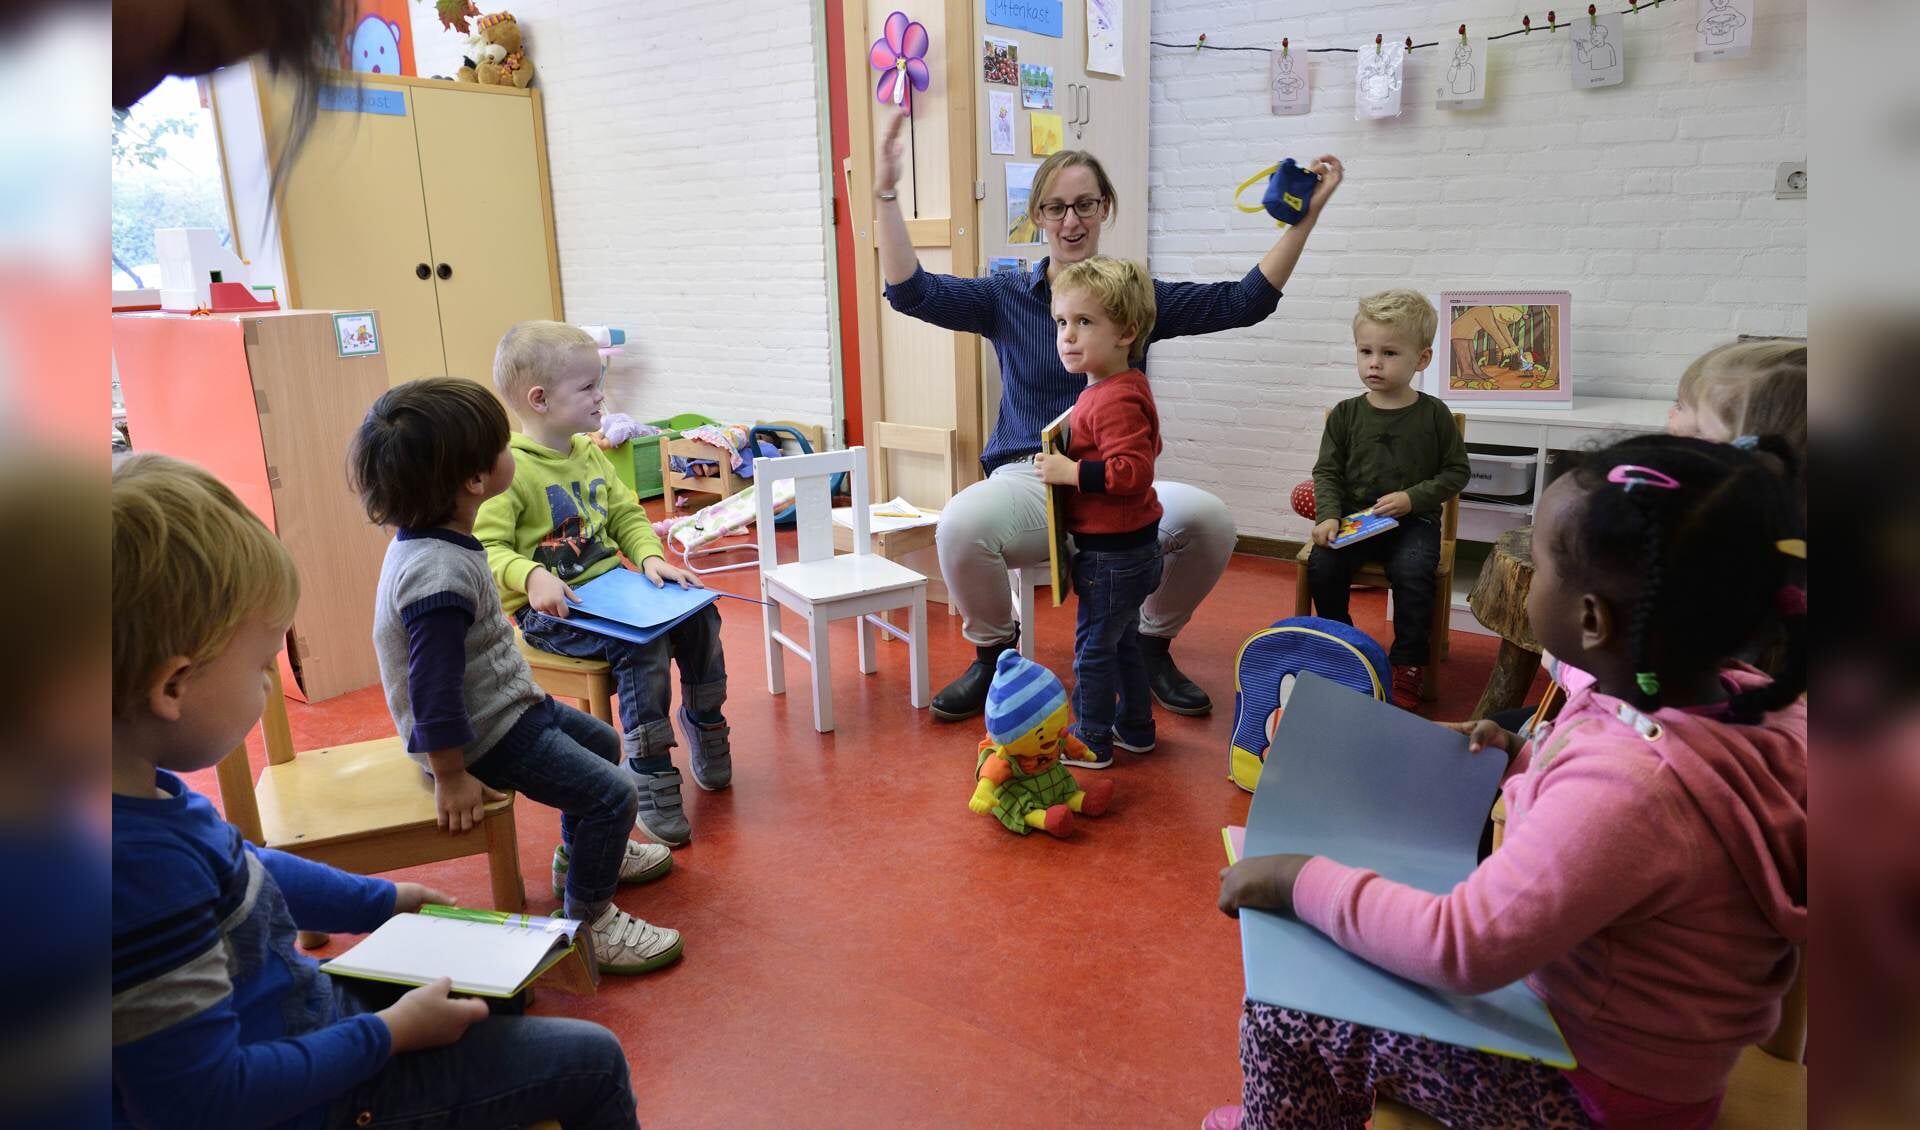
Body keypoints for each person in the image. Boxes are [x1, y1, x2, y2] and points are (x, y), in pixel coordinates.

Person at [1208, 434, 1807, 1129]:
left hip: (1583, 1093)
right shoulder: (1732, 698)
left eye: (1542, 560)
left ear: (1591, 618)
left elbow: (1458, 947)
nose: (1524, 568)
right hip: (1654, 1068)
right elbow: (1627, 805)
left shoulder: (1631, 790)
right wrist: (1524, 752)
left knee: (1291, 1003)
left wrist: (1297, 879)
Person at [112, 453, 641, 1129]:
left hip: (301, 1022)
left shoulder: (134, 797)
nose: (269, 683)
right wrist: (389, 1034)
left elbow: (249, 869)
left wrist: (381, 901)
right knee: (592, 1060)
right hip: (318, 1100)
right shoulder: (135, 876)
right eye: (260, 664)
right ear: (172, 687)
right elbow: (204, 1101)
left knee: (495, 985)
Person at [875, 112, 1345, 721]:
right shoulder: (1006, 297)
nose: (1071, 220)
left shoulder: (1133, 297)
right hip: (1033, 474)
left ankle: (1149, 643)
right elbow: (912, 292)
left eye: (1085, 205)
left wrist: (1305, 218)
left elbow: (1244, 302)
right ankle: (994, 655)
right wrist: (886, 193)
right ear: (1038, 215)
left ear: (1105, 209)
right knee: (961, 524)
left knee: (1211, 522)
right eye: (1056, 207)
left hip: (1117, 482)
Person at [352, 377, 684, 974]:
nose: (514, 451)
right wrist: (450, 774)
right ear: (475, 480)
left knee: (604, 741)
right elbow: (432, 689)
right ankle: (590, 923)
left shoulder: (443, 538)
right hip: (477, 734)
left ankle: (580, 856)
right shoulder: (438, 576)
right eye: (501, 445)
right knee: (614, 795)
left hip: (504, 703)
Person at [475, 322, 728, 848]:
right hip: (553, 612)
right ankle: (651, 768)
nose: (601, 396)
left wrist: (651, 558)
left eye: (598, 383)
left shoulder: (589, 451)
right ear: (539, 399)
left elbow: (627, 516)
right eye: (587, 387)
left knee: (700, 613)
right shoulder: (509, 468)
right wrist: (532, 573)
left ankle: (706, 723)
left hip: (617, 592)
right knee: (644, 648)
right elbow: (487, 548)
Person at [1306, 289, 1470, 709]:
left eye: (1390, 353)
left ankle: (1409, 663)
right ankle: (1339, 644)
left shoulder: (1434, 416)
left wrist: (1413, 499)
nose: (1374, 362)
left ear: (1422, 359)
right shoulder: (1345, 414)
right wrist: (1328, 516)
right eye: (1366, 351)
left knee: (1415, 573)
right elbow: (1327, 472)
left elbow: (1457, 473)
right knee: (1323, 564)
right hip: (1355, 520)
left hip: (1414, 523)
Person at [1030, 257, 1163, 769]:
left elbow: (1134, 470)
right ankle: (1136, 728)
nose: (1067, 336)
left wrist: (1072, 473)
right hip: (1130, 549)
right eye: (1062, 322)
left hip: (1114, 556)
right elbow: (1153, 444)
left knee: (1093, 651)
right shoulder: (1121, 385)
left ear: (1126, 331)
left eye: (1085, 323)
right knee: (1124, 641)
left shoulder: (1110, 400)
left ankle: (1091, 739)